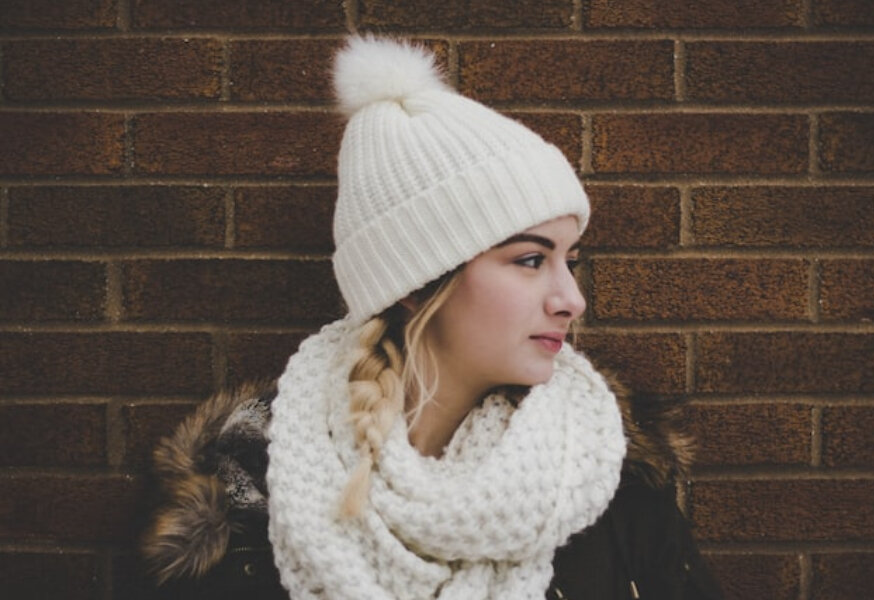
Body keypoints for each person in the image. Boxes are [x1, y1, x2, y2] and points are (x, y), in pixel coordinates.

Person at [139, 36, 723, 600]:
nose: (572, 299)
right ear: (416, 286)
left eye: (570, 261)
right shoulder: (246, 499)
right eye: (529, 259)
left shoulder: (603, 481)